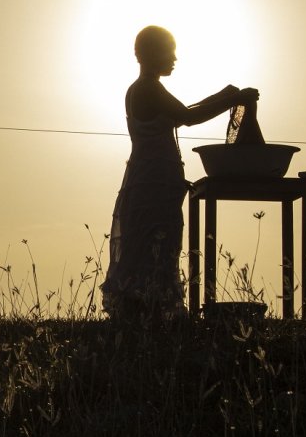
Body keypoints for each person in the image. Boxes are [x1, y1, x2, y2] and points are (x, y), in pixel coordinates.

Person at [100, 25, 258, 324]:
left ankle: (145, 315)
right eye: (169, 52)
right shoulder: (148, 88)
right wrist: (231, 99)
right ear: (150, 54)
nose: (174, 58)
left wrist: (225, 95)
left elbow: (182, 111)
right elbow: (188, 117)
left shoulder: (144, 88)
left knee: (151, 244)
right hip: (154, 180)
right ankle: (147, 314)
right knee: (155, 245)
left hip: (150, 178)